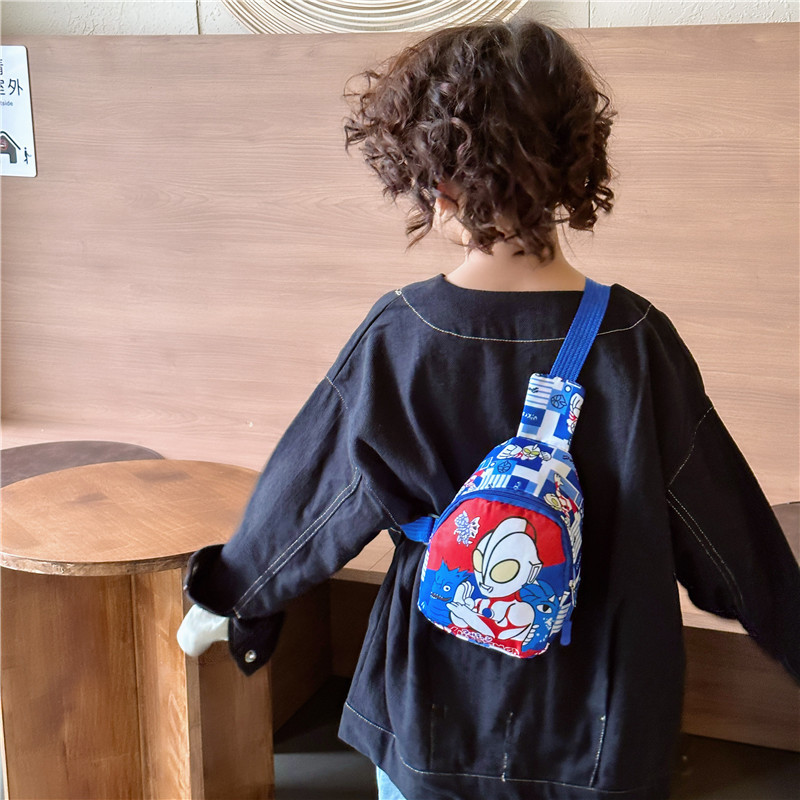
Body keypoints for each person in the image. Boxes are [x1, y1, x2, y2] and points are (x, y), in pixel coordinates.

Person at [177, 19, 800, 800]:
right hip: (599, 726)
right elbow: (727, 535)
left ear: (432, 174)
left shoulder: (402, 334)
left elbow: (307, 504)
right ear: (575, 162)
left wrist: (233, 599)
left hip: (430, 708)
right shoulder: (637, 341)